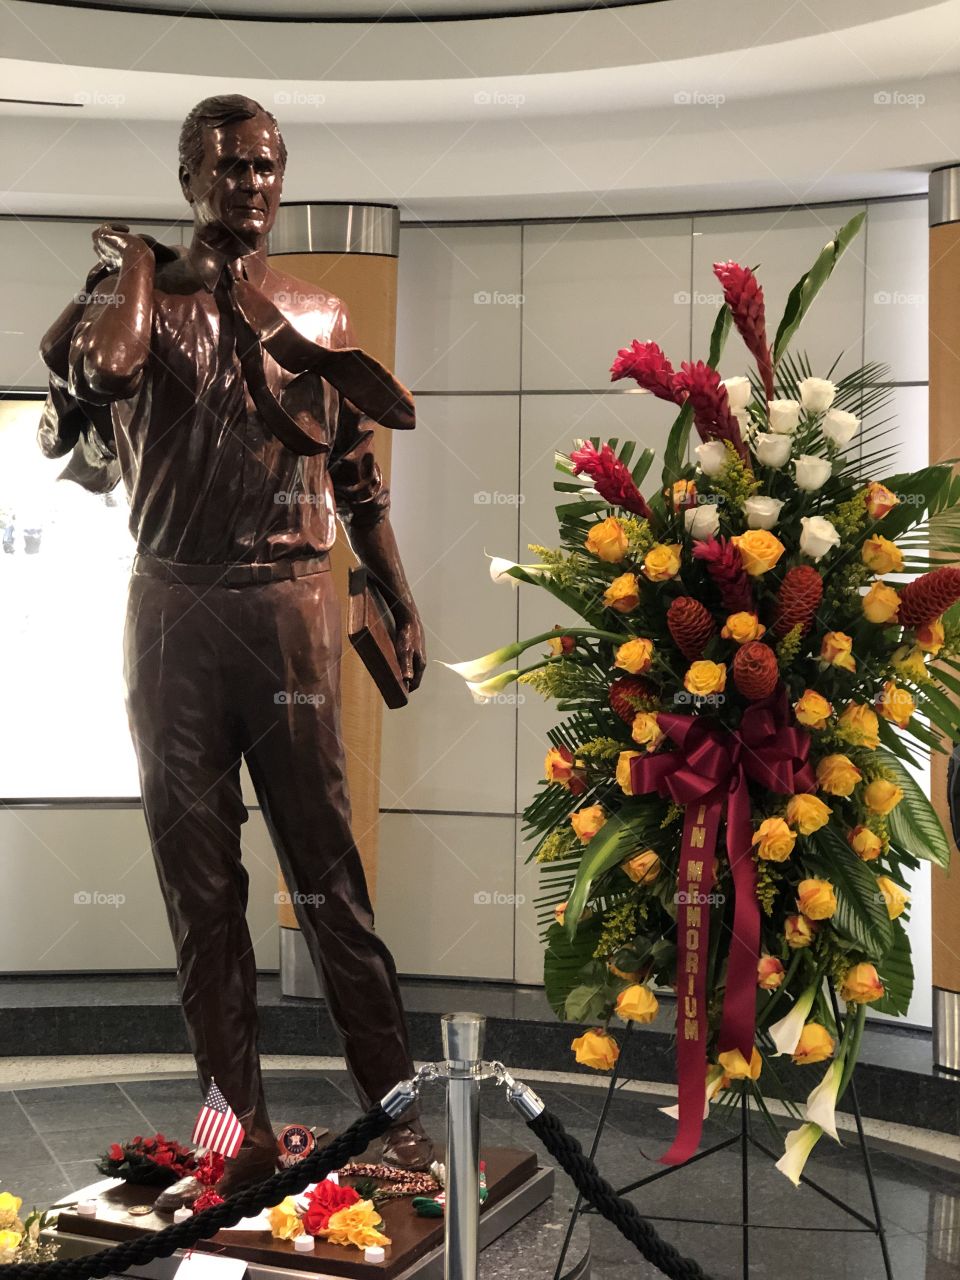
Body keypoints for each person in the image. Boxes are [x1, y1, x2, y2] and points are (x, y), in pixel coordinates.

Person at [39, 94, 432, 1192]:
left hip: (288, 611)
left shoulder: (316, 309)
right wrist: (130, 264)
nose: (249, 187)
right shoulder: (132, 307)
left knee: (329, 880)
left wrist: (395, 598)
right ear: (188, 178)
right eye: (226, 168)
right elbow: (107, 375)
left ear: (282, 176)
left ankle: (397, 1115)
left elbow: (359, 485)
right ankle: (234, 1122)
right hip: (171, 615)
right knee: (200, 887)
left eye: (264, 168)